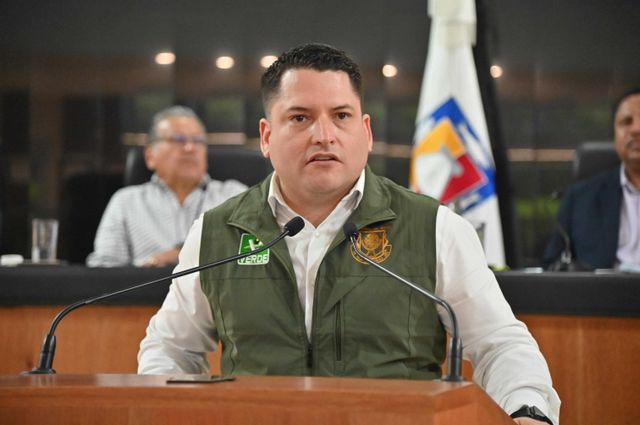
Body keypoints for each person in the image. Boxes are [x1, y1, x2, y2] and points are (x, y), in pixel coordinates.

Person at [138, 44, 560, 424]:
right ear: (266, 136)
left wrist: (528, 411)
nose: (324, 135)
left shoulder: (433, 227)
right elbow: (171, 348)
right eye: (300, 118)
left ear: (366, 131)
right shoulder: (217, 232)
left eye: (341, 116)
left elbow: (498, 343)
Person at [86, 106, 247, 267]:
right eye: (178, 140)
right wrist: (151, 265)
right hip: (147, 283)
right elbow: (102, 272)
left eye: (198, 140)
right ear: (150, 156)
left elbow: (254, 260)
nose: (190, 148)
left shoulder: (235, 197)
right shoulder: (126, 202)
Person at [543, 87, 640, 270]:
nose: (636, 129)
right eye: (627, 122)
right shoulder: (579, 198)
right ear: (615, 134)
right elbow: (552, 267)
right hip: (604, 288)